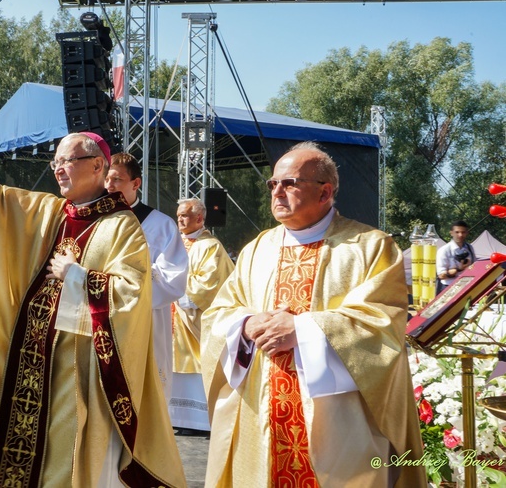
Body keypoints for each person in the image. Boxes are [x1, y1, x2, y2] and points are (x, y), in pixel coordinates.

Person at [0, 123, 185, 487]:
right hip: (29, 367)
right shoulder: (50, 212)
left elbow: (132, 296)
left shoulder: (121, 226)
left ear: (98, 166)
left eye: (67, 160)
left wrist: (78, 276)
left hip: (84, 376)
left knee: (73, 468)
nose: (58, 169)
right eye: (55, 162)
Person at [200, 142, 425, 487]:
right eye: (272, 184)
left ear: (325, 192)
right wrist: (246, 324)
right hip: (261, 414)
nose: (277, 192)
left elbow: (383, 322)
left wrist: (303, 330)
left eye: (290, 183)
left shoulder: (371, 246)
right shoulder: (257, 249)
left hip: (337, 419)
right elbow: (219, 313)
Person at [105, 153, 189, 401]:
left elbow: (173, 280)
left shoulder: (161, 225)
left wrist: (129, 277)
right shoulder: (96, 220)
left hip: (144, 320)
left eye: (117, 179)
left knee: (141, 394)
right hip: (100, 316)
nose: (109, 185)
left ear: (136, 183)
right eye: (107, 179)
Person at [169, 198, 233, 434]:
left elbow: (211, 282)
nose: (180, 220)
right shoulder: (175, 243)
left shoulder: (210, 247)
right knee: (173, 364)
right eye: (178, 216)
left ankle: (198, 422)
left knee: (196, 363)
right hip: (172, 316)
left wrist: (180, 291)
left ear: (199, 218)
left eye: (185, 215)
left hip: (193, 317)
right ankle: (178, 418)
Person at [436, 220, 475, 294]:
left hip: (466, 287)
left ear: (467, 233)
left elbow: (474, 266)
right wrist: (459, 269)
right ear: (451, 233)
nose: (460, 235)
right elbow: (441, 275)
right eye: (457, 232)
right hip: (448, 287)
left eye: (463, 232)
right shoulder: (444, 250)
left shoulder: (470, 248)